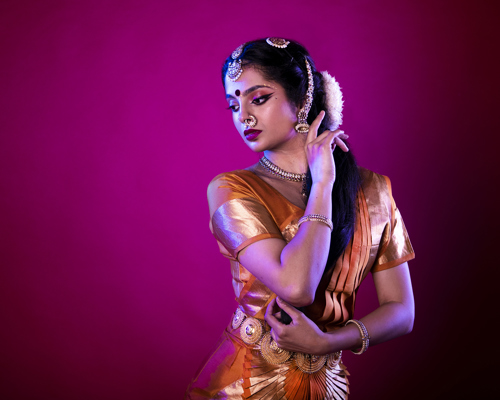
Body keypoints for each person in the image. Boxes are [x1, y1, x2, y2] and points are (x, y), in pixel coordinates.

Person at [186, 37, 415, 400]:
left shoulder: (372, 190)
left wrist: (329, 342)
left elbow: (401, 311)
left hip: (328, 385)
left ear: (304, 98)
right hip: (245, 382)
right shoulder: (232, 189)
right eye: (233, 104)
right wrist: (323, 184)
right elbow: (296, 286)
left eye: (259, 99)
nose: (243, 116)